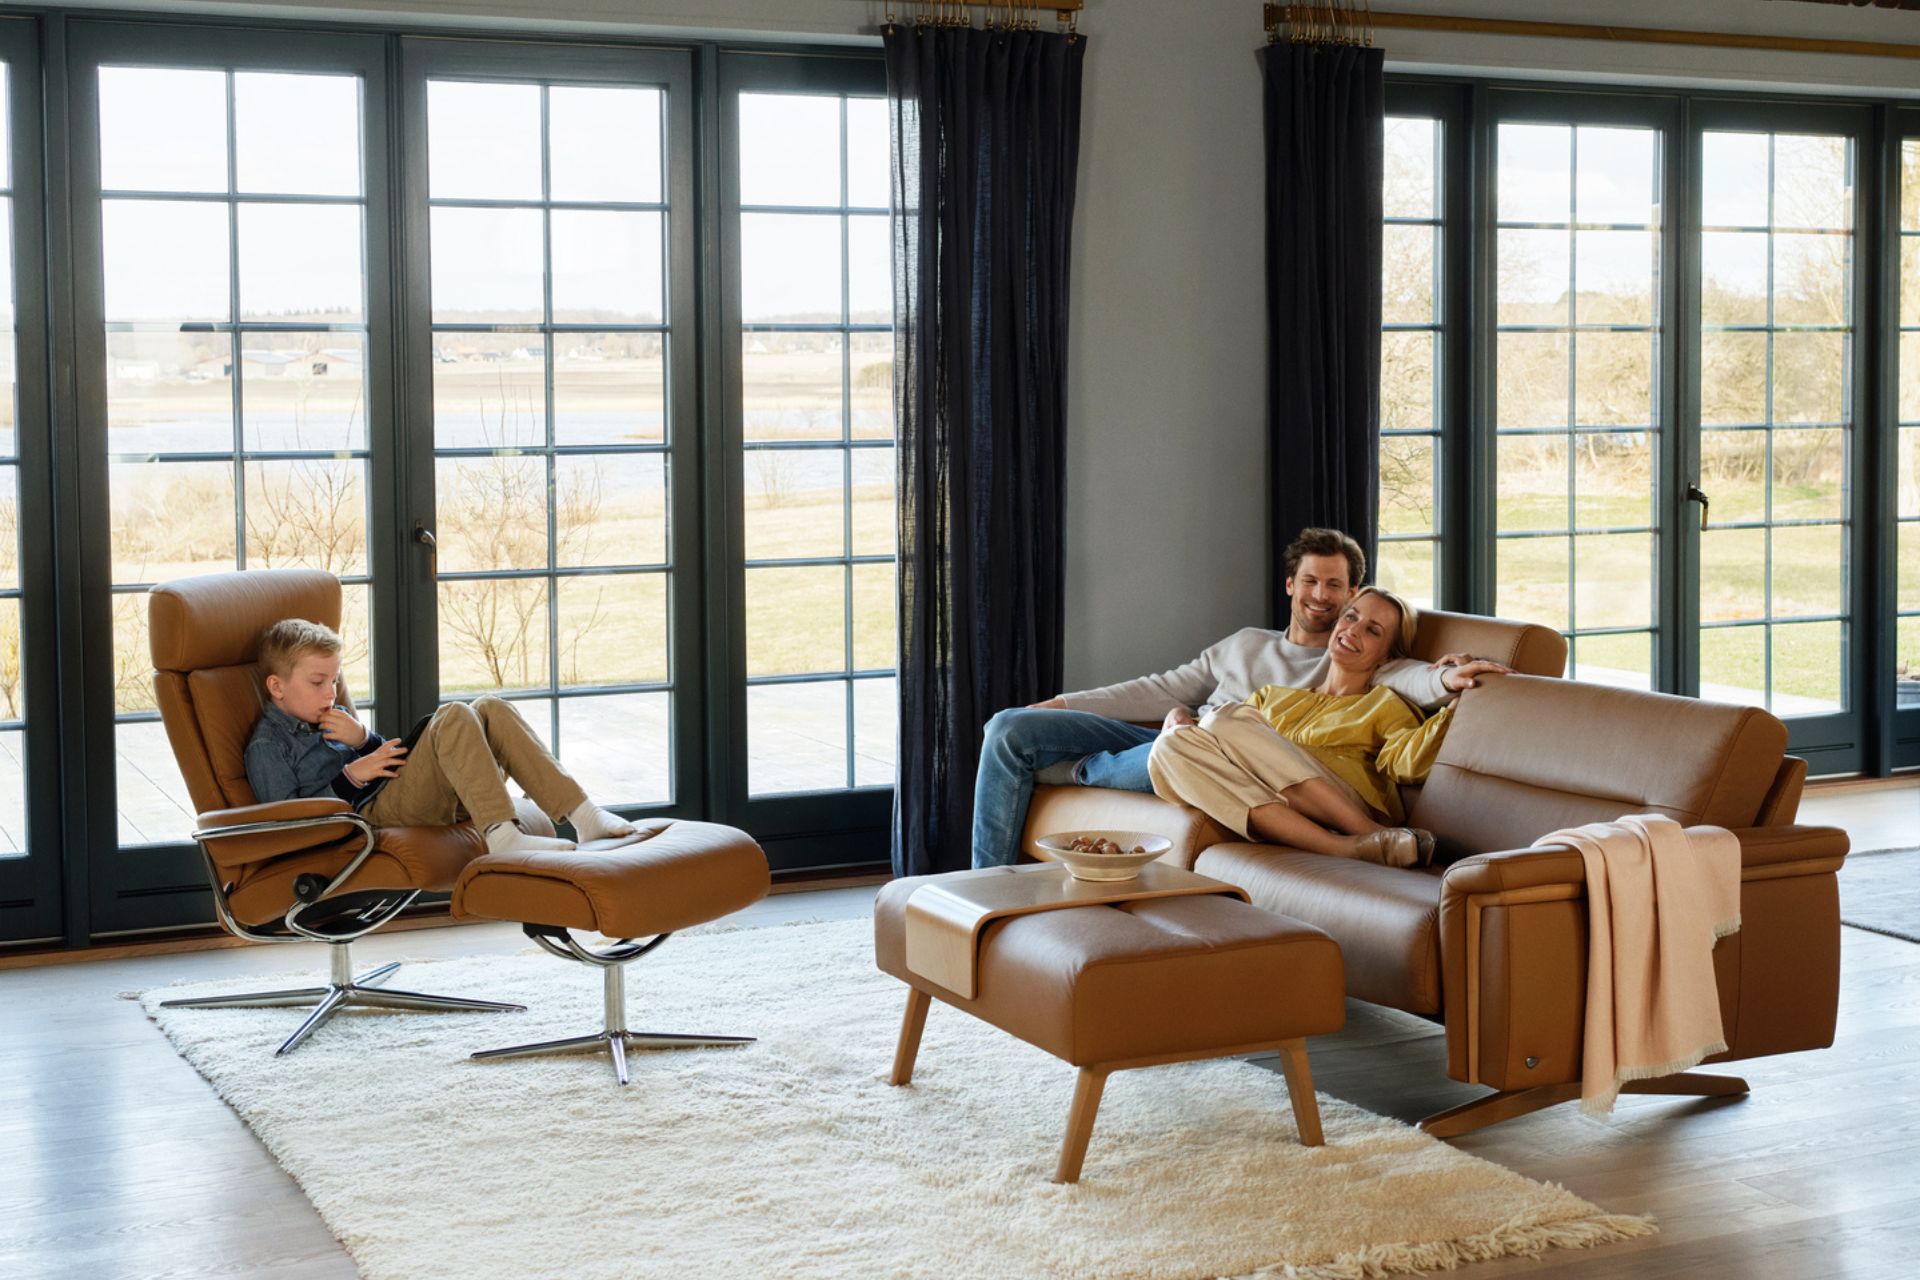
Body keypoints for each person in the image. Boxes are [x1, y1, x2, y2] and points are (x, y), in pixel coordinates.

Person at [969, 527, 1506, 869]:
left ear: (1351, 589)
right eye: (1311, 582)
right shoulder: (1248, 644)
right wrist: (1060, 704)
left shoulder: (1359, 661)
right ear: (1290, 586)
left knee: (1211, 724)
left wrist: (1447, 680)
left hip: (1211, 745)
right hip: (1181, 736)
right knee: (1008, 728)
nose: (1323, 597)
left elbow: (1413, 677)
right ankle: (986, 881)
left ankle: (1076, 769)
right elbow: (1160, 690)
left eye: (1336, 585)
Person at [243, 619, 634, 854]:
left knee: (489, 707)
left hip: (399, 792)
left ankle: (583, 816)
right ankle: (502, 836)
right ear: (277, 686)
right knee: (453, 715)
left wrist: (364, 739)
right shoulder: (268, 746)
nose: (331, 693)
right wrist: (352, 777)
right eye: (317, 682)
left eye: (335, 680)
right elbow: (287, 824)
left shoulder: (335, 717)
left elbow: (386, 761)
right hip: (367, 816)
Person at [1147, 586, 1455, 868]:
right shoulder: (1274, 696)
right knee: (1167, 747)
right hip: (1269, 799)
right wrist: (1178, 714)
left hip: (1348, 805)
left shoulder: (1385, 704)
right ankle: (1342, 848)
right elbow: (1208, 741)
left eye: (1372, 630)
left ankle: (1367, 831)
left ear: (1388, 654)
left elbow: (1409, 763)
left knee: (1222, 717)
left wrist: (1458, 703)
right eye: (1350, 617)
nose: (1352, 630)